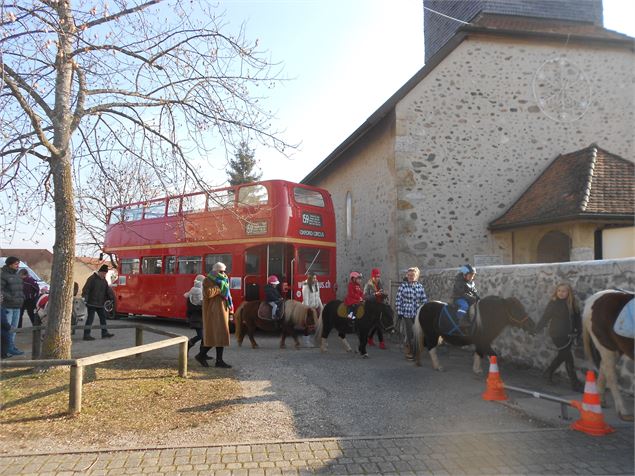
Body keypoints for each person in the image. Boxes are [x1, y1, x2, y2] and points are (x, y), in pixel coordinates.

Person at [535, 283, 584, 392]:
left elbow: (577, 319)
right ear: (556, 292)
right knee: (568, 358)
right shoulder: (553, 303)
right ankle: (574, 383)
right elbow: (546, 316)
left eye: (564, 291)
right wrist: (537, 328)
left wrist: (577, 331)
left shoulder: (572, 303)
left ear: (569, 292)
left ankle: (548, 373)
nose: (561, 293)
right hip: (557, 334)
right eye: (559, 291)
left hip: (570, 335)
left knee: (563, 355)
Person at [200, 262, 232, 368]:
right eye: (221, 271)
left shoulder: (224, 279)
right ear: (215, 270)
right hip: (213, 312)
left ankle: (219, 361)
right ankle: (201, 355)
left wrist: (231, 310)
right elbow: (208, 293)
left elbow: (228, 296)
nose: (223, 273)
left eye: (224, 271)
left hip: (223, 310)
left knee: (221, 336)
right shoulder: (208, 280)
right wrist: (219, 287)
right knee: (214, 336)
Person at [395, 266, 428, 360]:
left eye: (412, 275)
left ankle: (415, 350)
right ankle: (411, 351)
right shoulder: (403, 286)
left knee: (417, 332)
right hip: (407, 313)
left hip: (417, 313)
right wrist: (400, 312)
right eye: (409, 275)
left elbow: (424, 300)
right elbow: (398, 300)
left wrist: (424, 310)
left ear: (416, 276)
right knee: (410, 333)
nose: (410, 277)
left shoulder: (420, 287)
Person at [81, 264, 115, 341]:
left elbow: (107, 291)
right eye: (103, 273)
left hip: (100, 303)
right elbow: (86, 289)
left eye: (105, 274)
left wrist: (111, 298)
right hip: (91, 303)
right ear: (100, 272)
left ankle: (104, 333)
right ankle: (86, 335)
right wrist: (85, 298)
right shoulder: (92, 279)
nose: (104, 275)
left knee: (103, 318)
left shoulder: (104, 281)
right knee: (90, 319)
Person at [1, 256, 25, 355]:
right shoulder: (3, 276)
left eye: (18, 264)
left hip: (17, 306)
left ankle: (11, 347)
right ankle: (6, 349)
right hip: (8, 306)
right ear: (10, 264)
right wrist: (9, 297)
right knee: (7, 328)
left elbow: (20, 289)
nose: (18, 266)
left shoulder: (17, 276)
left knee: (14, 329)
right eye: (16, 264)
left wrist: (22, 297)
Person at [185, 275, 211, 361]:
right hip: (196, 318)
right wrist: (203, 308)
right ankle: (188, 345)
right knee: (201, 336)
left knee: (204, 337)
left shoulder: (198, 293)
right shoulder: (194, 294)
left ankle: (203, 354)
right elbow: (192, 308)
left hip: (200, 318)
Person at [364, 268, 388, 349]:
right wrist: (375, 294)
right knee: (377, 323)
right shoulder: (368, 284)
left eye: (378, 276)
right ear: (372, 277)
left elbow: (382, 292)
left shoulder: (380, 282)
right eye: (376, 276)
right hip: (370, 306)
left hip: (378, 305)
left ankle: (370, 338)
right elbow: (365, 296)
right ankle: (381, 342)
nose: (378, 278)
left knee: (376, 323)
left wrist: (384, 294)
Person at [302, 272, 323, 347]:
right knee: (308, 326)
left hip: (316, 307)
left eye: (316, 278)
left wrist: (321, 307)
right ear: (310, 278)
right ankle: (306, 342)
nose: (315, 279)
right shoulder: (306, 286)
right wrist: (308, 310)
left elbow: (318, 297)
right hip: (309, 308)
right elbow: (306, 299)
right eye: (314, 278)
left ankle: (318, 341)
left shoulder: (316, 284)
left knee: (318, 325)